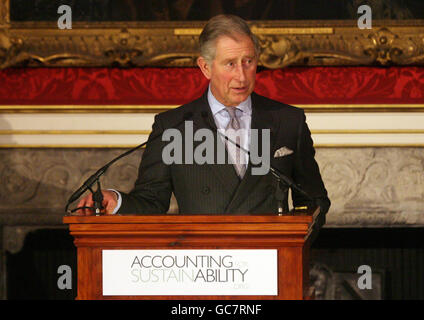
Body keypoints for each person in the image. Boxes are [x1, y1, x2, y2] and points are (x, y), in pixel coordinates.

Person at [76, 14, 330, 238]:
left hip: (272, 269)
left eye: (249, 62)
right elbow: (151, 201)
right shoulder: (173, 127)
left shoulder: (288, 120)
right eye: (230, 64)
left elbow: (313, 199)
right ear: (205, 67)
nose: (242, 76)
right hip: (204, 268)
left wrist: (297, 244)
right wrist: (117, 201)